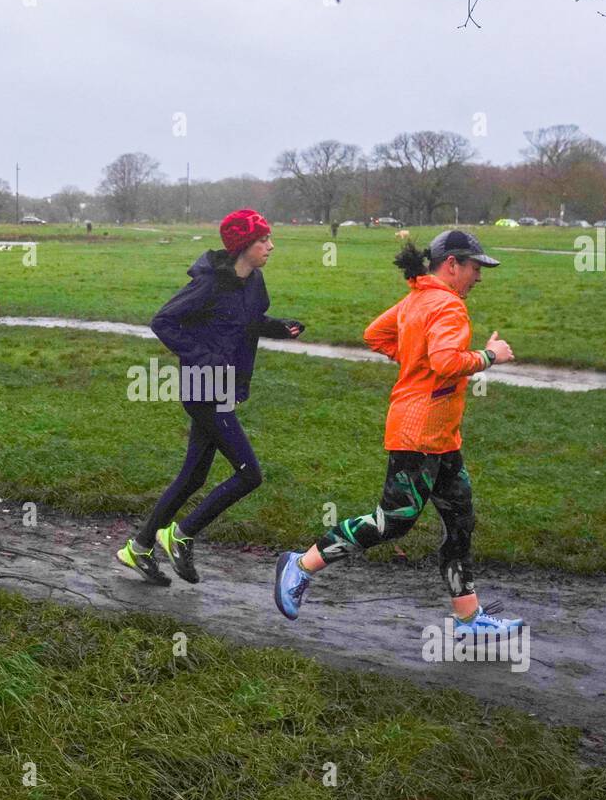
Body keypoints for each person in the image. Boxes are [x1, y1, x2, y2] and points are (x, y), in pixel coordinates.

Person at [273, 229, 524, 634]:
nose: (479, 276)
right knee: (394, 520)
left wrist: (413, 360)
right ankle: (300, 565)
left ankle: (468, 619)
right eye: (476, 267)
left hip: (442, 438)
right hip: (417, 434)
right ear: (453, 265)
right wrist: (490, 355)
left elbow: (376, 335)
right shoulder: (448, 306)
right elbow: (445, 362)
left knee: (461, 520)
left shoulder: (419, 298)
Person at [116, 209, 304, 585]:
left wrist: (280, 328)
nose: (271, 245)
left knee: (192, 477)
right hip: (204, 387)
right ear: (243, 245)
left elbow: (248, 322)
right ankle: (180, 534)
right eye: (263, 239)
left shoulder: (254, 282)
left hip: (226, 387)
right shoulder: (210, 283)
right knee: (250, 474)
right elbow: (163, 321)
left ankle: (138, 548)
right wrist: (204, 357)